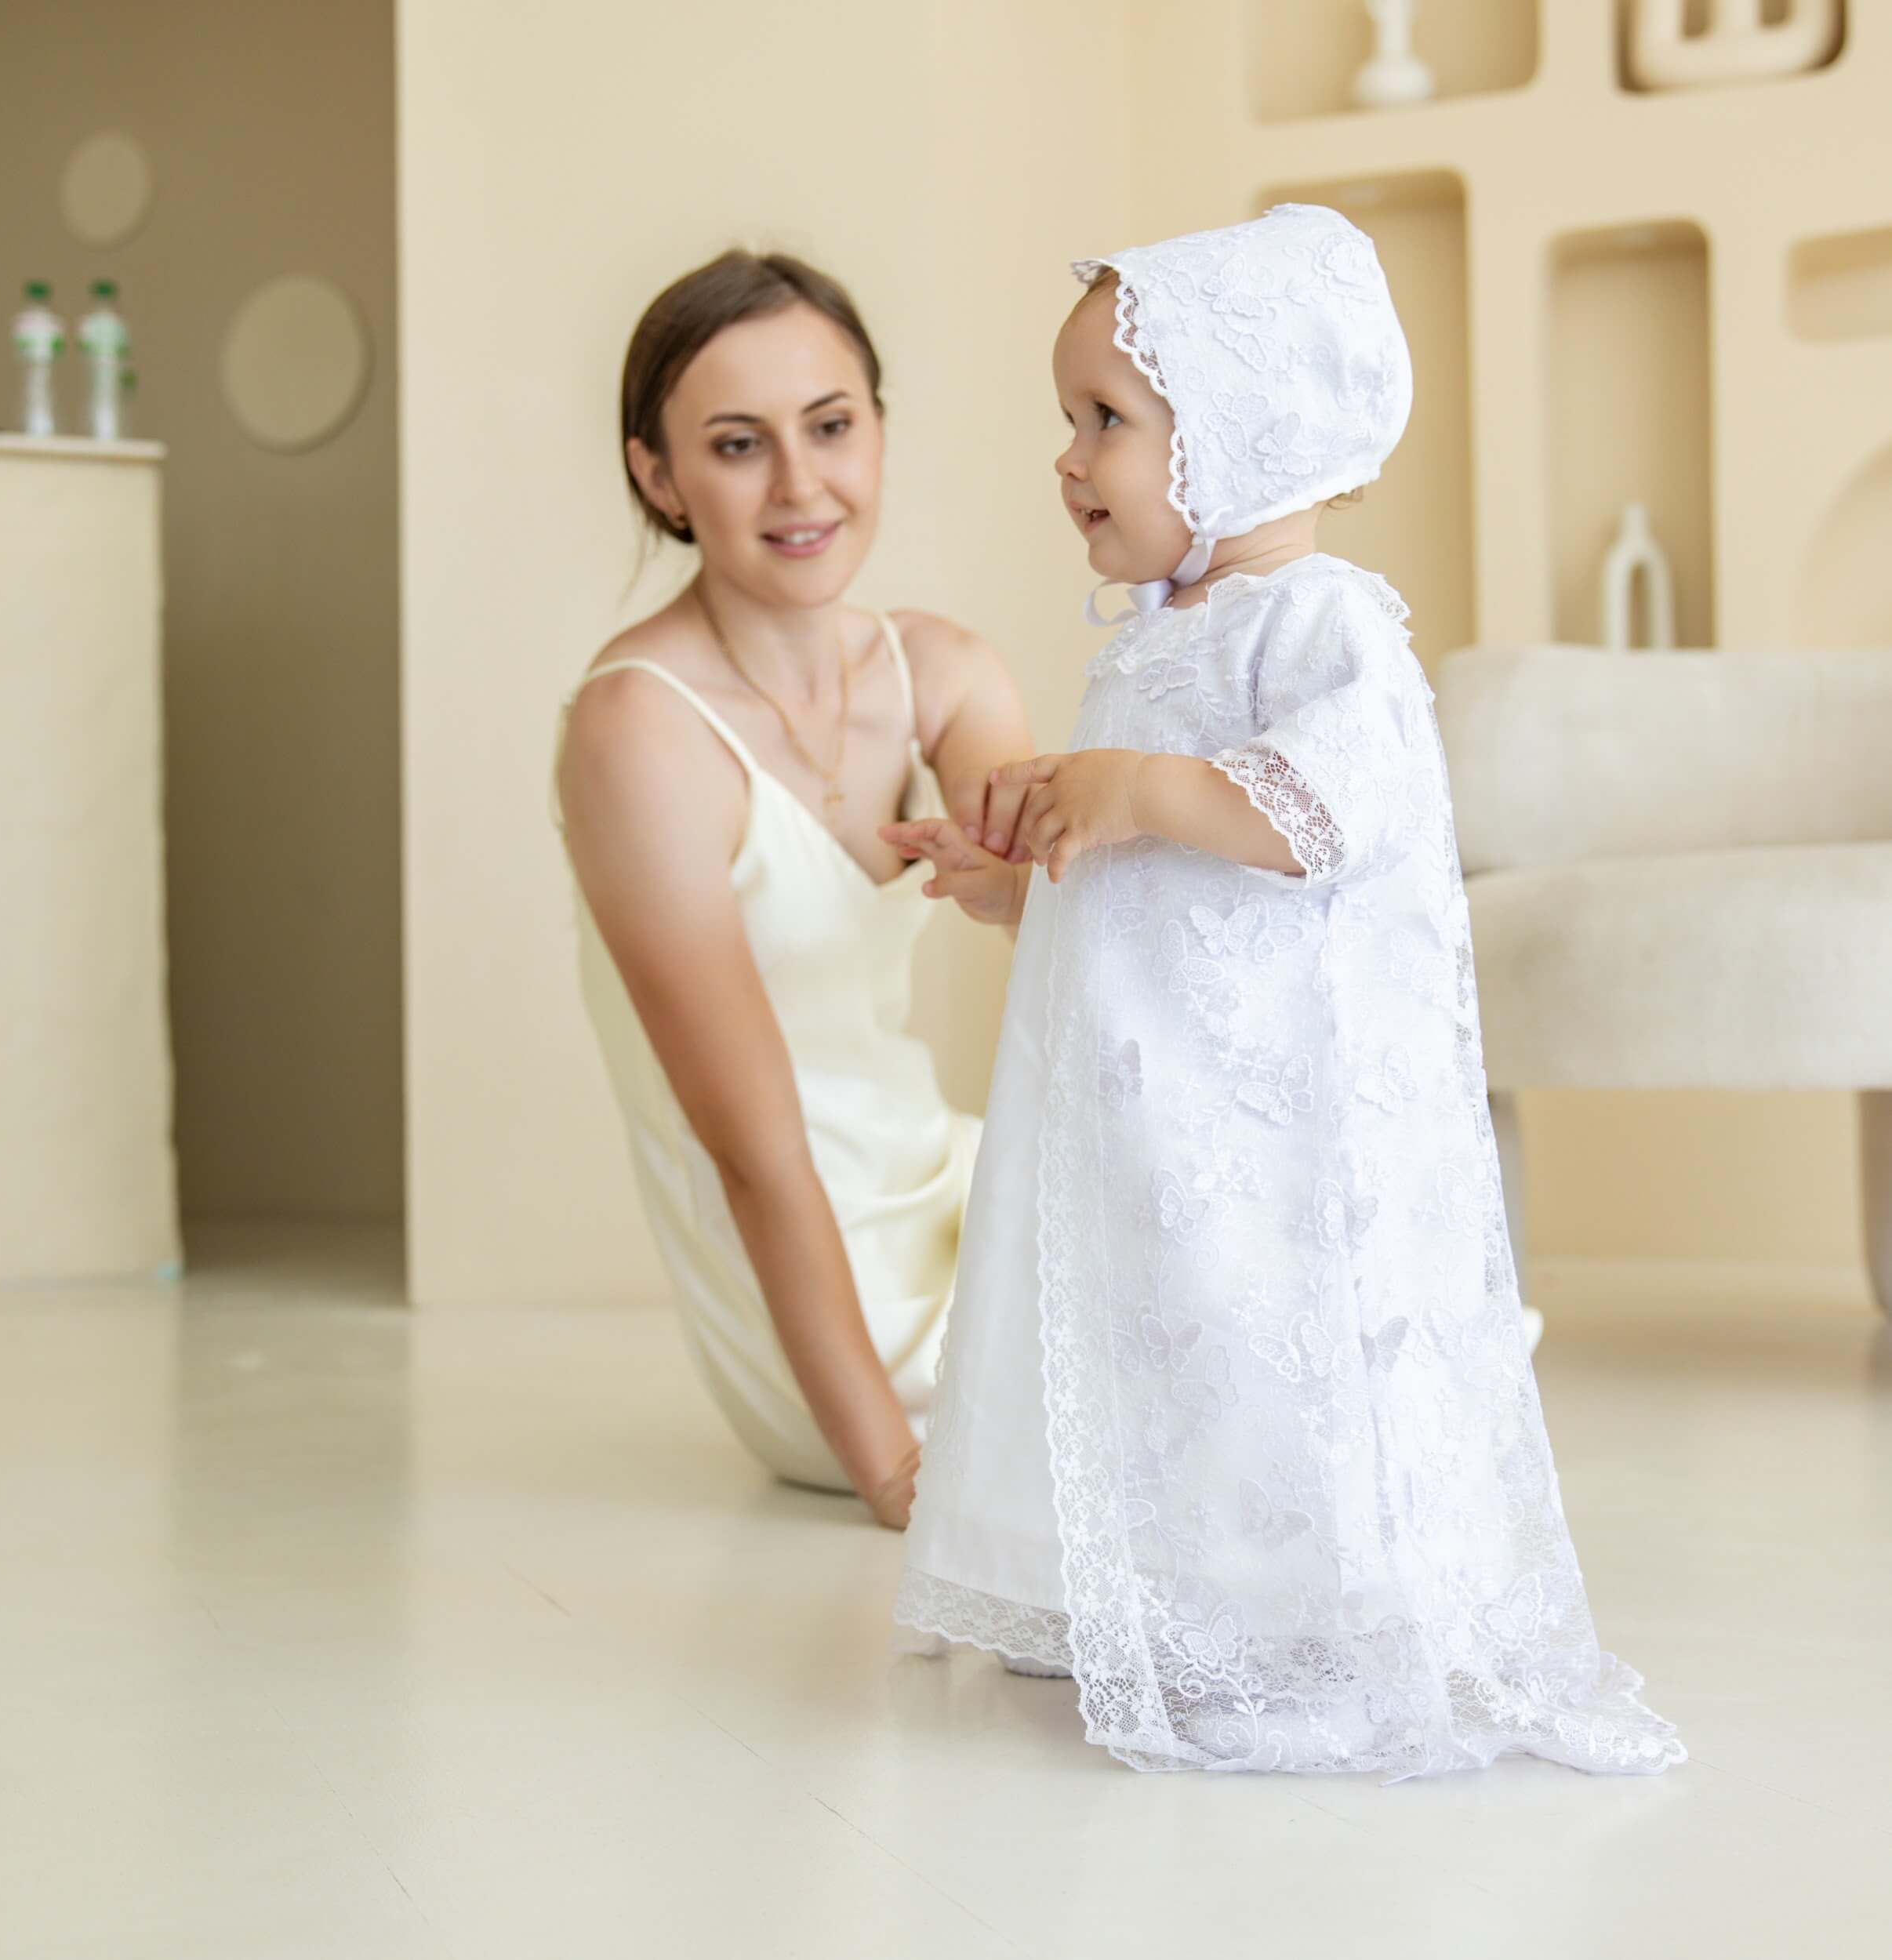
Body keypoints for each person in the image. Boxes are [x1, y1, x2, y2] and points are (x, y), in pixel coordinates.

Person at [883, 205, 1686, 1779]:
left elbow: (1324, 810)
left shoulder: (1323, 627)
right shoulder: (1154, 636)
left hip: (1255, 1122)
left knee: (1259, 1346)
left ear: (1243, 435)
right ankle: (1145, 1595)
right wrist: (1019, 868)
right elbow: (1139, 867)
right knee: (1154, 1347)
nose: (1069, 458)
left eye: (1105, 419)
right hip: (1143, 1117)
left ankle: (1297, 1617)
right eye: (1071, 419)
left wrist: (1132, 786)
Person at [552, 251, 1032, 1528]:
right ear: (660, 476)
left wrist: (1015, 877)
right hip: (812, 1298)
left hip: (938, 1179)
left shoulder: (942, 665)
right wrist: (890, 1469)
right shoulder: (638, 732)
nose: (802, 485)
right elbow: (753, 1148)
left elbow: (1069, 907)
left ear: (877, 426)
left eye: (831, 427)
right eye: (736, 444)